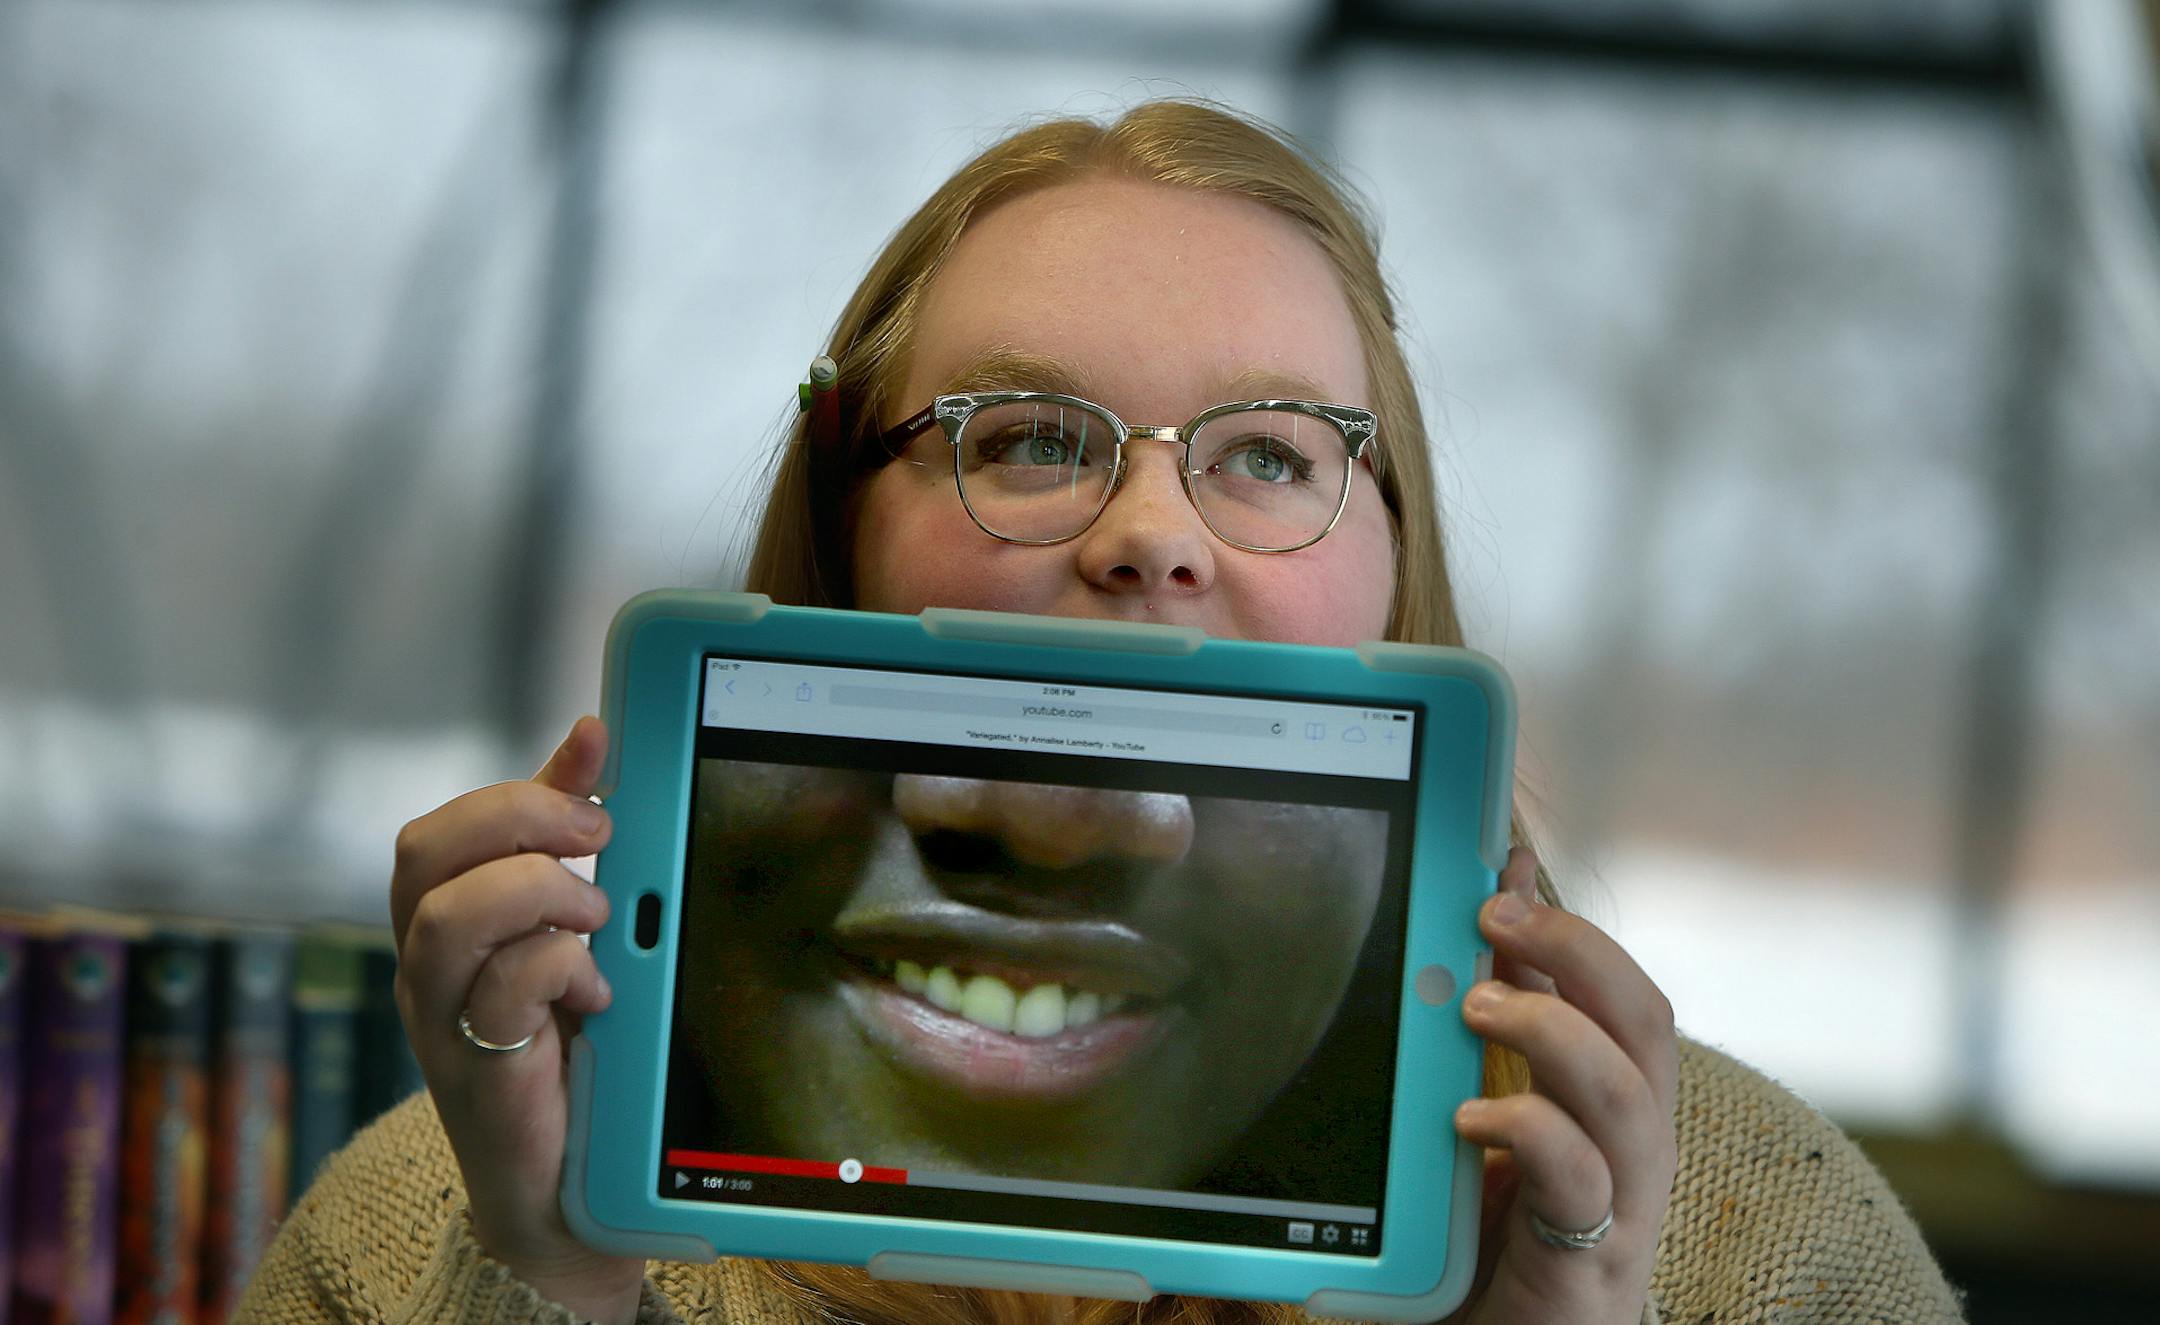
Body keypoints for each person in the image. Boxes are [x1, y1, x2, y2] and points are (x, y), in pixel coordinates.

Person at [236, 99, 1966, 1325]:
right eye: (1029, 438)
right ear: (845, 538)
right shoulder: (430, 1220)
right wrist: (540, 1286)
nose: (1149, 535)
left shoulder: (1756, 1237)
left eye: (1274, 454)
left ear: (1393, 571)